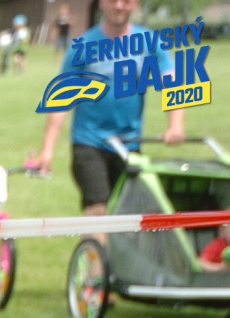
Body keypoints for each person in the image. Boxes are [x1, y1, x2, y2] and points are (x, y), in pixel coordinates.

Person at [33, 0, 186, 217]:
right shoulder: (83, 46)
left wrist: (175, 125)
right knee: (97, 209)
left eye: (126, 1)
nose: (119, 6)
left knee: (128, 216)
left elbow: (172, 83)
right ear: (101, 3)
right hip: (90, 142)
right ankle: (94, 239)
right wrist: (47, 150)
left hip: (129, 144)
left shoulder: (149, 43)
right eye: (113, 0)